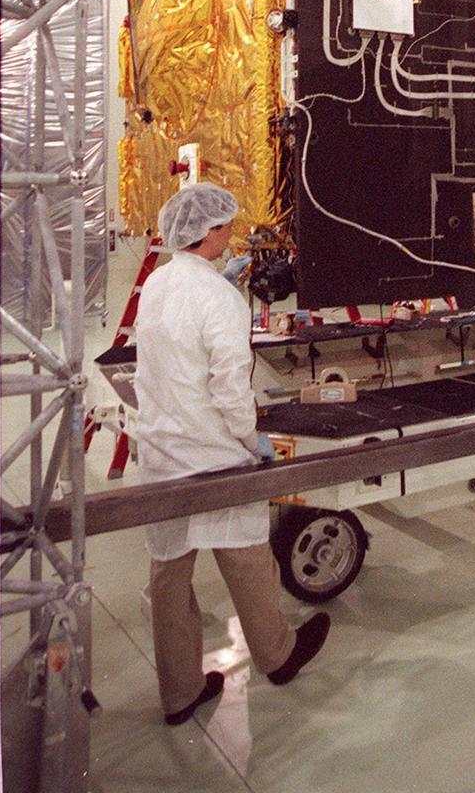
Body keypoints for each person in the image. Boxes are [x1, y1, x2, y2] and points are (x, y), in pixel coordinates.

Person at [135, 182, 330, 725]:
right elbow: (228, 385)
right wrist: (252, 440)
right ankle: (278, 654)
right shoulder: (217, 298)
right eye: (226, 227)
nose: (232, 235)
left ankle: (179, 693)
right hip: (213, 453)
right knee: (246, 560)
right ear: (208, 233)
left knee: (169, 578)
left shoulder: (156, 284)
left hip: (161, 453)